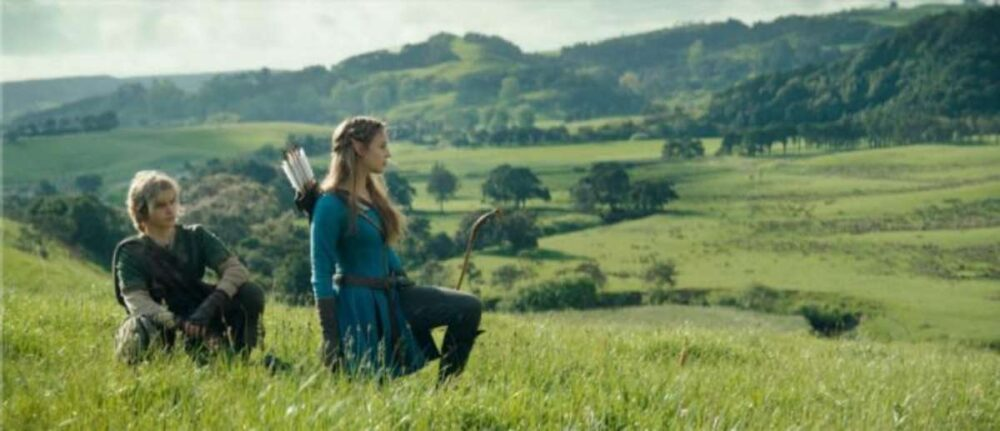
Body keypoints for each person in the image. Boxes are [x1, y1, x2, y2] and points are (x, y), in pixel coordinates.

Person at [310, 116, 482, 382]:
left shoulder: (370, 197)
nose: (388, 154)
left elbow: (381, 248)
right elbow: (320, 274)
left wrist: (405, 280)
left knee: (468, 308)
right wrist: (330, 335)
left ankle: (447, 391)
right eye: (382, 146)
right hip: (358, 306)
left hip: (392, 295)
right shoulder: (329, 205)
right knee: (367, 386)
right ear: (359, 147)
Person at [112, 170, 266, 364]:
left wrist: (210, 307)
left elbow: (236, 270)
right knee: (138, 325)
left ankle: (241, 356)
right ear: (141, 210)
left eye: (173, 202)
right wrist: (179, 323)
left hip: (202, 315)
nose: (170, 210)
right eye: (160, 205)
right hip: (161, 325)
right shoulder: (131, 252)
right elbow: (137, 301)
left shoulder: (196, 236)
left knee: (250, 293)